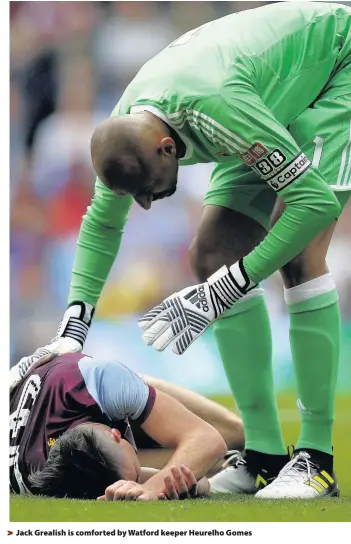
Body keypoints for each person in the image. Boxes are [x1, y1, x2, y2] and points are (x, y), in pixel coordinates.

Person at [12, 2, 350, 498]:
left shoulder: (219, 111)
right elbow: (101, 224)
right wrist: (73, 329)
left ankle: (317, 458)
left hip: (333, 70)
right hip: (267, 100)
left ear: (169, 148)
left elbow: (315, 205)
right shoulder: (125, 132)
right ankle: (262, 456)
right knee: (211, 255)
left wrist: (222, 292)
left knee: (299, 256)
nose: (146, 204)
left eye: (149, 188)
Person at [9, 352, 230, 500]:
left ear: (115, 434)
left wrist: (153, 488)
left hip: (77, 377)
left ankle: (250, 435)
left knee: (136, 387)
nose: (136, 479)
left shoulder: (100, 380)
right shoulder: (54, 477)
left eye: (134, 475)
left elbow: (208, 440)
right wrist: (181, 485)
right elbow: (199, 483)